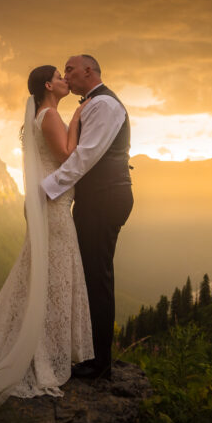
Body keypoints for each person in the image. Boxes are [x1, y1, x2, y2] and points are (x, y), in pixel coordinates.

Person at [0, 65, 94, 405]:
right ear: (48, 85)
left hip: (48, 204)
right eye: (60, 76)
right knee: (55, 277)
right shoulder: (51, 116)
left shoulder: (41, 116)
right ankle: (44, 352)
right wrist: (76, 121)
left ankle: (34, 343)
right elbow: (65, 156)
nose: (64, 80)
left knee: (42, 275)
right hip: (54, 207)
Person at [42, 54, 133, 380]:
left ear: (89, 71)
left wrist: (48, 188)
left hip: (104, 199)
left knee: (97, 278)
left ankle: (100, 364)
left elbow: (86, 156)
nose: (66, 74)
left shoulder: (104, 106)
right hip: (97, 199)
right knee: (91, 275)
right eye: (63, 70)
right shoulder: (93, 105)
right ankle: (90, 355)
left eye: (70, 69)